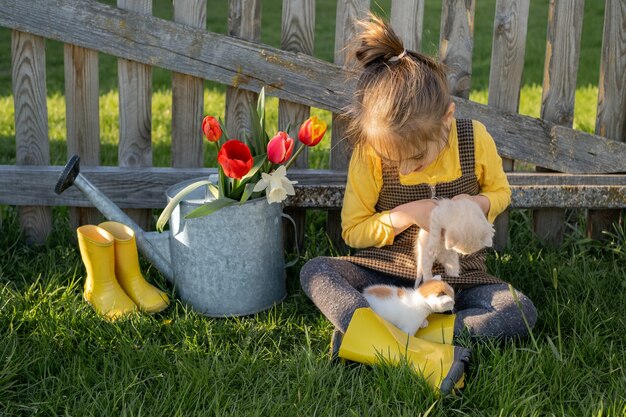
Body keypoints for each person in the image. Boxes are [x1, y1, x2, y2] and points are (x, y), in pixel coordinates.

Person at [299, 15, 537, 394]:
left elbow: (501, 192)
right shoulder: (371, 153)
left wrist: (475, 202)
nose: (406, 167)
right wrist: (405, 214)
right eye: (397, 161)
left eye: (416, 158)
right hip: (386, 274)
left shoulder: (474, 140)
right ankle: (413, 349)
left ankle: (372, 339)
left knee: (518, 311)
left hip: (460, 280)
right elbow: (353, 231)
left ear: (447, 118)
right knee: (316, 271)